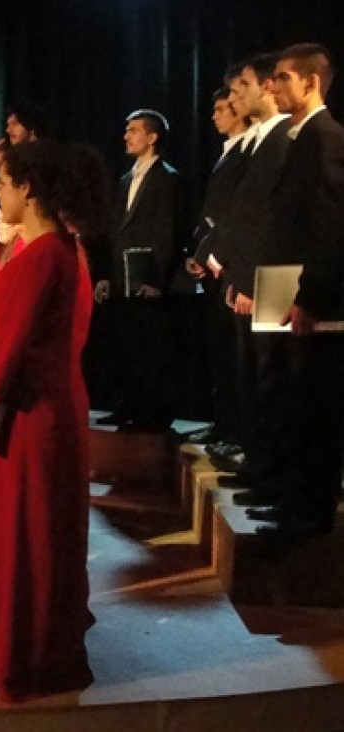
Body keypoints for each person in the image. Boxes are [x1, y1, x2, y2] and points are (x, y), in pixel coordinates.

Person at [0, 140, 107, 702]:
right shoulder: (59, 247)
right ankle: (36, 642)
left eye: (2, 182)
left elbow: (11, 345)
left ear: (28, 188)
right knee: (40, 529)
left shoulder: (45, 256)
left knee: (25, 532)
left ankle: (24, 655)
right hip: (49, 402)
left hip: (32, 412)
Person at [248, 43, 344, 544]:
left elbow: (328, 228)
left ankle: (308, 514)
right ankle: (292, 502)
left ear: (311, 82)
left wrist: (311, 297)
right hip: (291, 290)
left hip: (315, 302)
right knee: (291, 401)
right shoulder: (299, 136)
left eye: (283, 78)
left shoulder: (325, 138)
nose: (274, 86)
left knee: (312, 408)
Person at [209, 54, 294, 499]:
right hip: (249, 274)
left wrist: (245, 279)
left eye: (242, 86)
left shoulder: (285, 137)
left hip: (272, 277)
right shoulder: (260, 140)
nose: (235, 96)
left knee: (271, 377)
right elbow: (240, 215)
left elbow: (272, 220)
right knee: (254, 374)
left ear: (266, 87)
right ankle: (260, 466)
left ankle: (272, 474)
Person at [93, 109, 181, 430]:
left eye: (134, 130)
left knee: (150, 349)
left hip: (147, 278)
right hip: (121, 277)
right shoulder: (125, 179)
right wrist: (106, 275)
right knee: (126, 346)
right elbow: (114, 232)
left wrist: (156, 279)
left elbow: (167, 231)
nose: (126, 136)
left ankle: (152, 413)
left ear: (152, 137)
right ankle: (127, 405)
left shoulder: (167, 178)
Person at [186, 87, 252, 450]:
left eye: (222, 108)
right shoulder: (227, 153)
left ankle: (236, 431)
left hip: (229, 266)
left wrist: (212, 254)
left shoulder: (246, 152)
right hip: (212, 264)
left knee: (235, 355)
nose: (214, 115)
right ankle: (222, 423)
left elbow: (234, 215)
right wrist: (197, 252)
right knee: (219, 352)